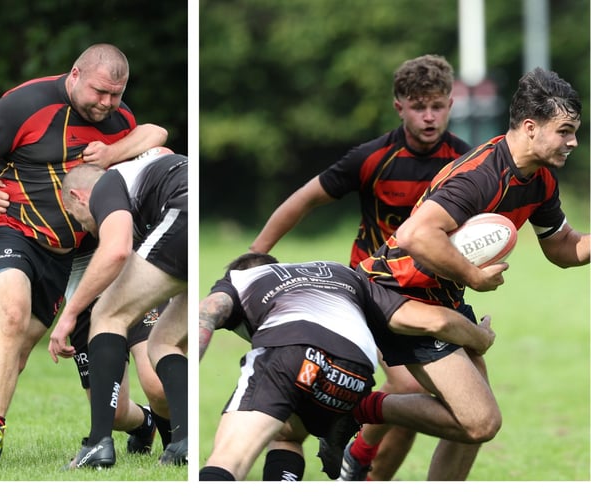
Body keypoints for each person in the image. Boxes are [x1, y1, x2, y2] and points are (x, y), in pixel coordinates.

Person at [345, 66, 588, 481]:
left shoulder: (540, 180)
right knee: (479, 422)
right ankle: (353, 410)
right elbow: (415, 234)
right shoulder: (481, 175)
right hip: (400, 291)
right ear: (530, 127)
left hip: (441, 299)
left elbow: (563, 248)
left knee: (469, 431)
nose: (573, 141)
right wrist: (474, 277)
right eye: (564, 130)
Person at [0, 43, 169, 467]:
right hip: (11, 230)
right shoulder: (24, 104)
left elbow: (156, 134)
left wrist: (114, 152)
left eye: (116, 95)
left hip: (76, 256)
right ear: (76, 74)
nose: (107, 104)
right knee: (11, 318)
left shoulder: (119, 119)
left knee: (33, 358)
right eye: (100, 92)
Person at [249, 54, 471, 480]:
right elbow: (305, 198)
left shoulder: (464, 162)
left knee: (412, 408)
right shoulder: (373, 158)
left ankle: (362, 476)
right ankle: (352, 444)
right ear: (399, 106)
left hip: (431, 295)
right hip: (370, 288)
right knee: (407, 387)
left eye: (437, 106)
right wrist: (258, 251)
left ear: (450, 104)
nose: (429, 116)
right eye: (418, 106)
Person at [198, 252, 497, 481]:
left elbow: (208, 312)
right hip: (353, 373)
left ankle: (333, 425)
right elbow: (435, 320)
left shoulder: (240, 281)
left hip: (290, 350)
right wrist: (479, 336)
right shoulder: (344, 273)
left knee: (229, 460)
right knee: (287, 432)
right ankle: (343, 418)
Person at [49, 149, 188, 468]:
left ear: (79, 197)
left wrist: (69, 315)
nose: (84, 224)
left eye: (76, 216)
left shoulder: (106, 185)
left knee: (106, 314)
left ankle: (98, 443)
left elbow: (116, 250)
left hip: (183, 213)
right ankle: (183, 443)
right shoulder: (141, 180)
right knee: (164, 341)